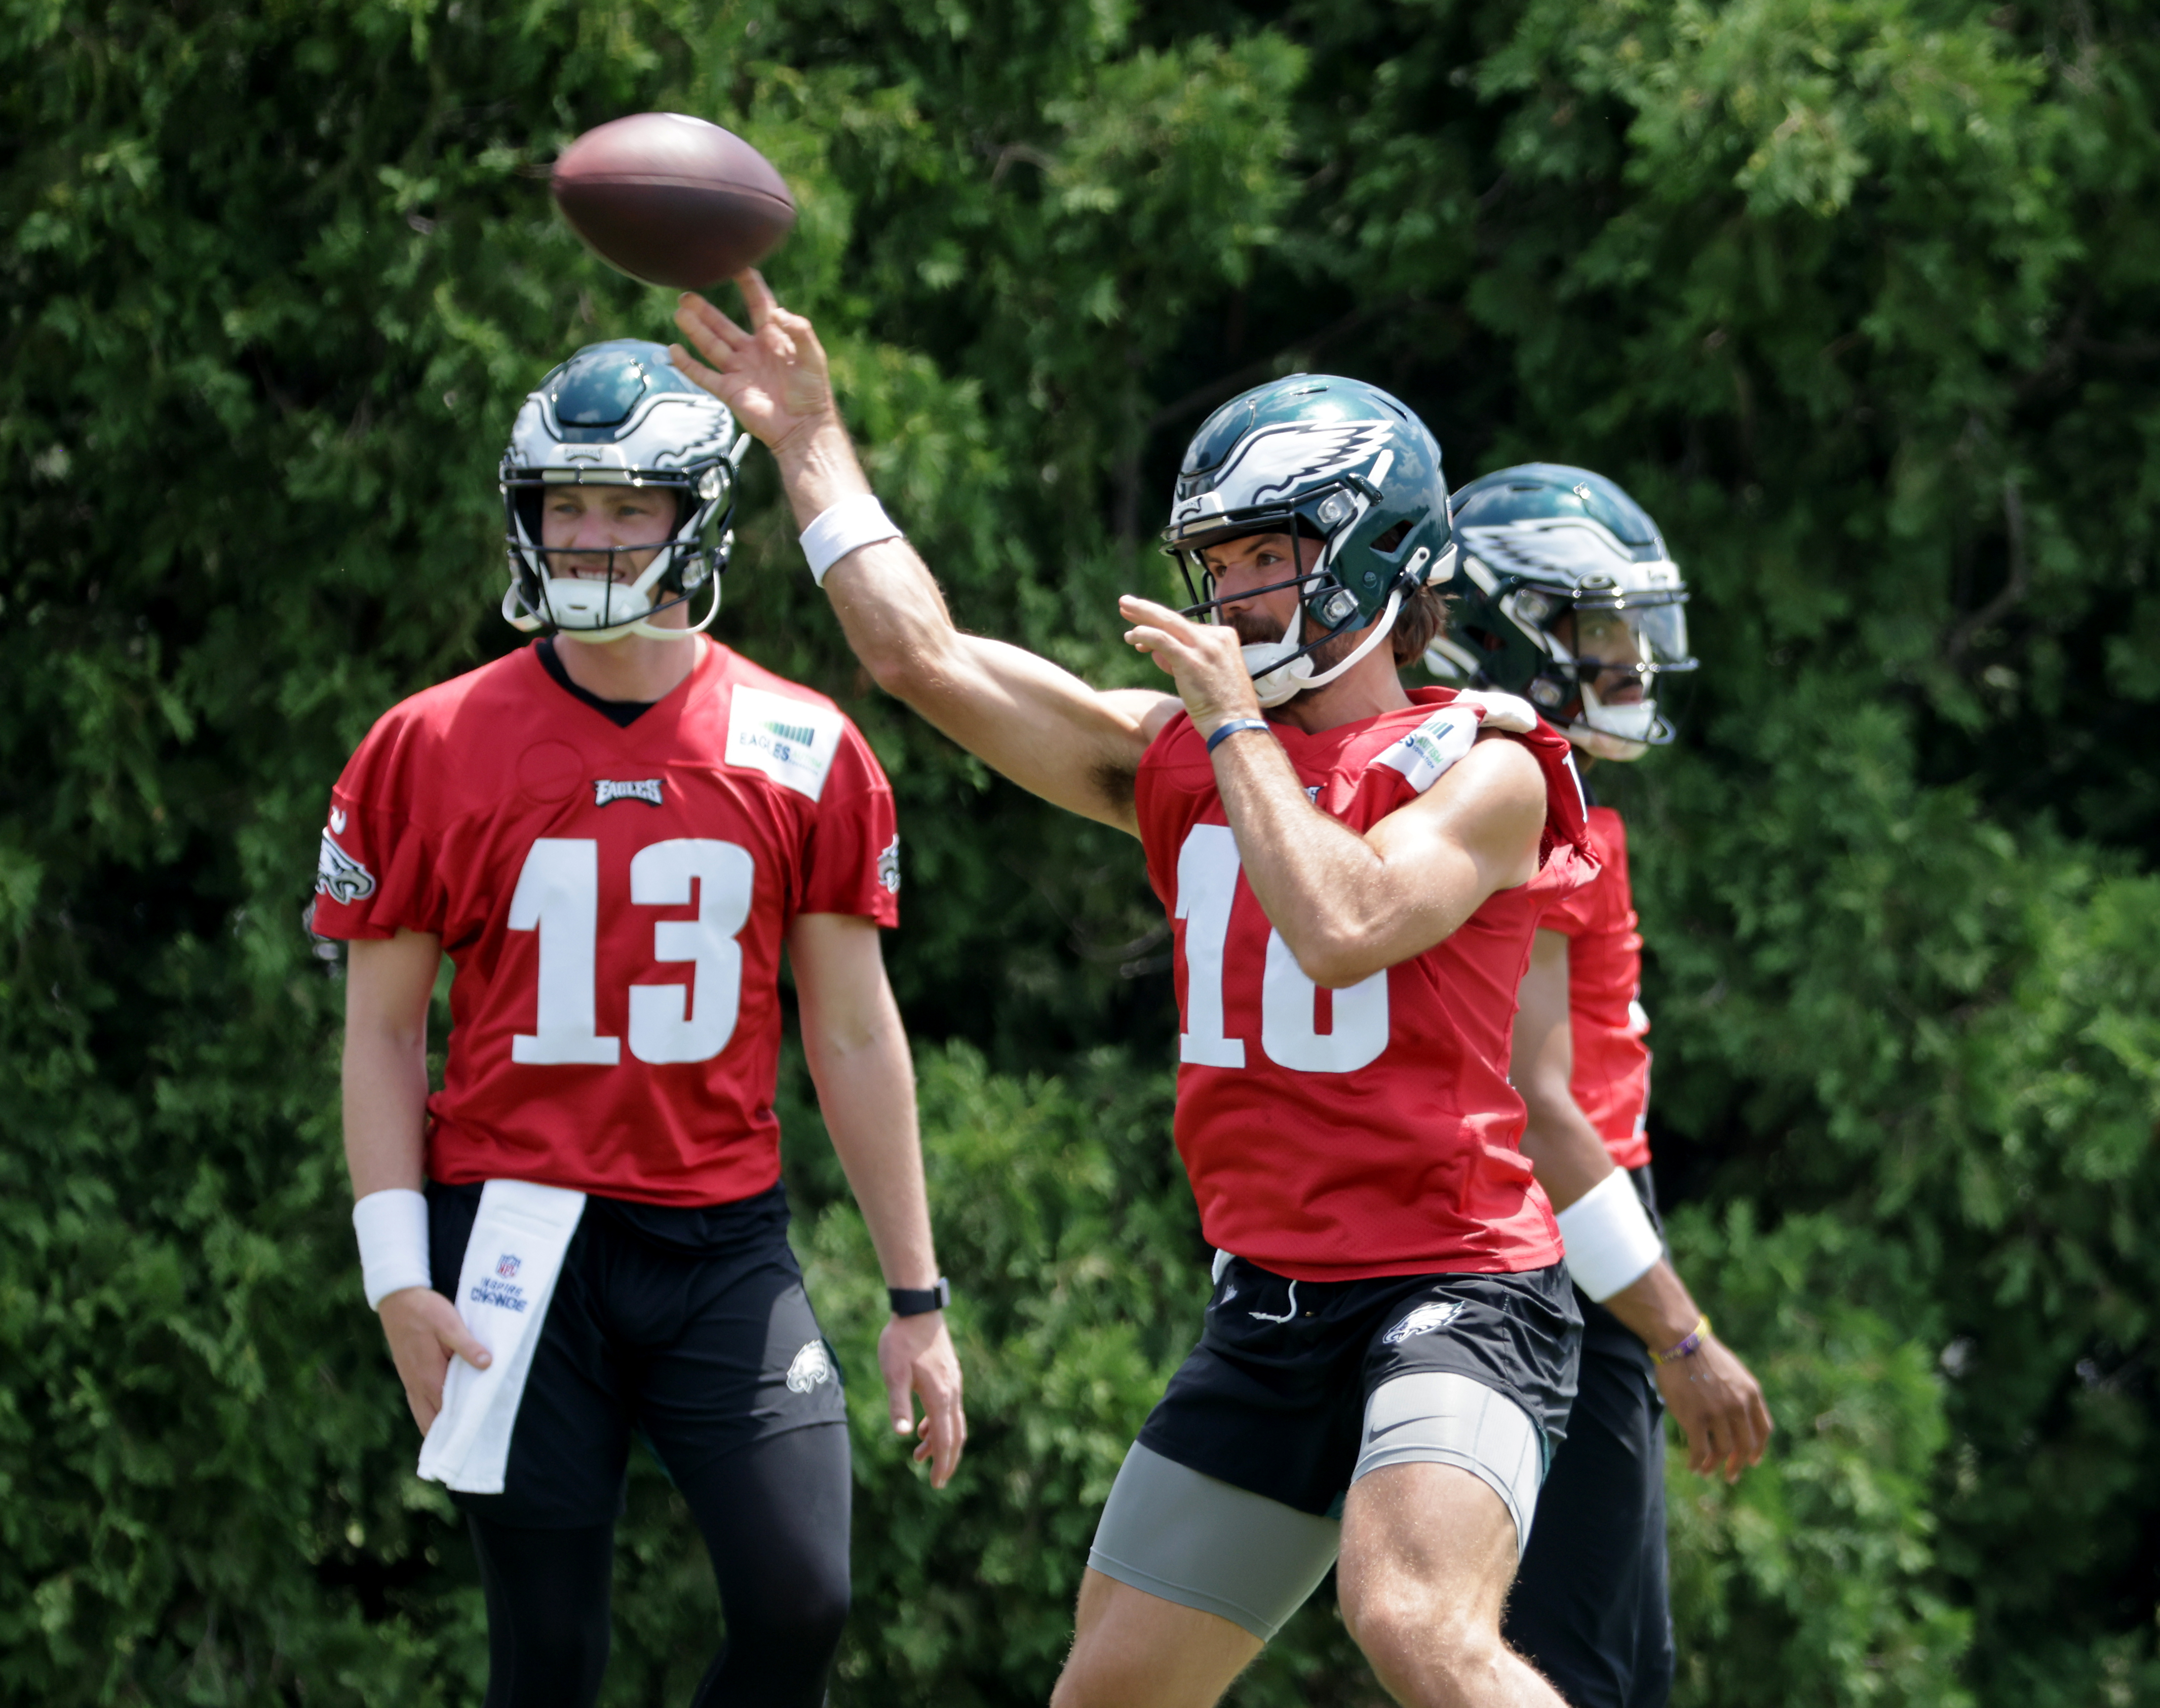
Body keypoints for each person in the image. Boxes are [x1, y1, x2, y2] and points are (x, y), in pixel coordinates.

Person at [673, 276, 1600, 1708]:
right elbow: (918, 658)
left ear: (1375, 562)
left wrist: (1234, 724)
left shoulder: (1488, 766)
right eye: (1218, 563)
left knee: (1412, 1616)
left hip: (1457, 1283)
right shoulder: (1183, 755)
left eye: (1271, 558)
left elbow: (1346, 920)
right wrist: (810, 440)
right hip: (1272, 1301)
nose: (1232, 599)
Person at [312, 338, 965, 1708]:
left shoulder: (803, 746)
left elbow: (850, 1032)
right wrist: (394, 1274)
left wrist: (917, 1296)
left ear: (700, 517)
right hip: (508, 1235)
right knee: (546, 1656)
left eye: (628, 507)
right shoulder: (429, 743)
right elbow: (383, 1030)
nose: (590, 538)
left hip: (718, 1236)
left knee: (802, 1599)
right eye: (564, 506)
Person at [1427, 465, 1774, 1707]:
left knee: (1622, 1667)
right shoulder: (1519, 805)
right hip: (1564, 1266)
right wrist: (1679, 1332)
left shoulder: (1506, 793)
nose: (1629, 663)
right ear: (1500, 634)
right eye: (1597, 632)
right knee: (1580, 1673)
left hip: (1561, 1252)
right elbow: (1536, 1107)